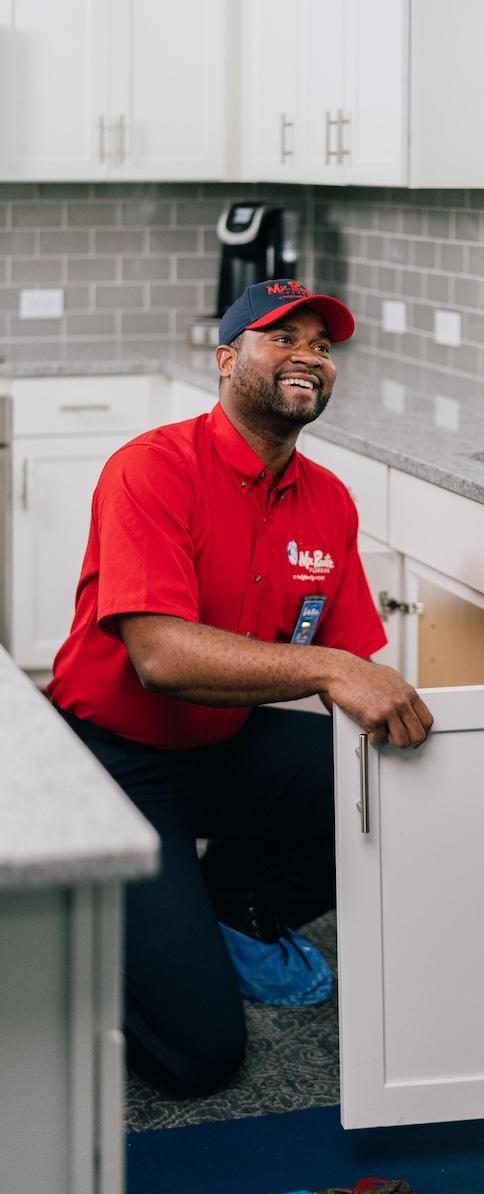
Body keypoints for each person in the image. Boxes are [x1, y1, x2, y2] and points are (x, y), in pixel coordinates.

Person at [48, 279, 433, 1095]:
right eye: (282, 337)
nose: (309, 357)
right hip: (116, 764)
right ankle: (76, 925)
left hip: (224, 747)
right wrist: (335, 669)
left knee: (388, 781)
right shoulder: (150, 470)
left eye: (322, 347)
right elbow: (162, 656)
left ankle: (229, 902)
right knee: (200, 1055)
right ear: (227, 361)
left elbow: (353, 654)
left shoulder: (327, 501)